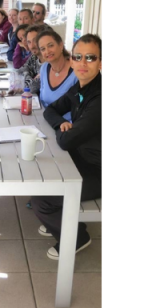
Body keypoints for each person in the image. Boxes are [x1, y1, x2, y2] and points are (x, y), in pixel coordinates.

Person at [30, 34, 102, 260]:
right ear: (72, 60)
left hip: (98, 170)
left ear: (101, 63)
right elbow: (51, 110)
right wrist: (61, 123)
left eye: (90, 58)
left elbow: (66, 141)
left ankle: (78, 237)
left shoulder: (100, 98)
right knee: (37, 174)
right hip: (79, 157)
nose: (83, 63)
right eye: (78, 57)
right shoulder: (81, 89)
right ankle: (60, 220)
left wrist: (64, 133)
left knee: (41, 199)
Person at [36, 29, 78, 122]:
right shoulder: (44, 68)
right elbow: (43, 100)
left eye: (50, 45)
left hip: (67, 125)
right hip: (47, 120)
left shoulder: (76, 72)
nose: (47, 51)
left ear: (61, 45)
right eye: (43, 49)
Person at [17, 24, 49, 94]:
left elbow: (30, 88)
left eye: (35, 41)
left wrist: (28, 76)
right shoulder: (34, 57)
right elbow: (20, 71)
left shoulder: (50, 64)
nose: (32, 46)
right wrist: (31, 77)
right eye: (29, 42)